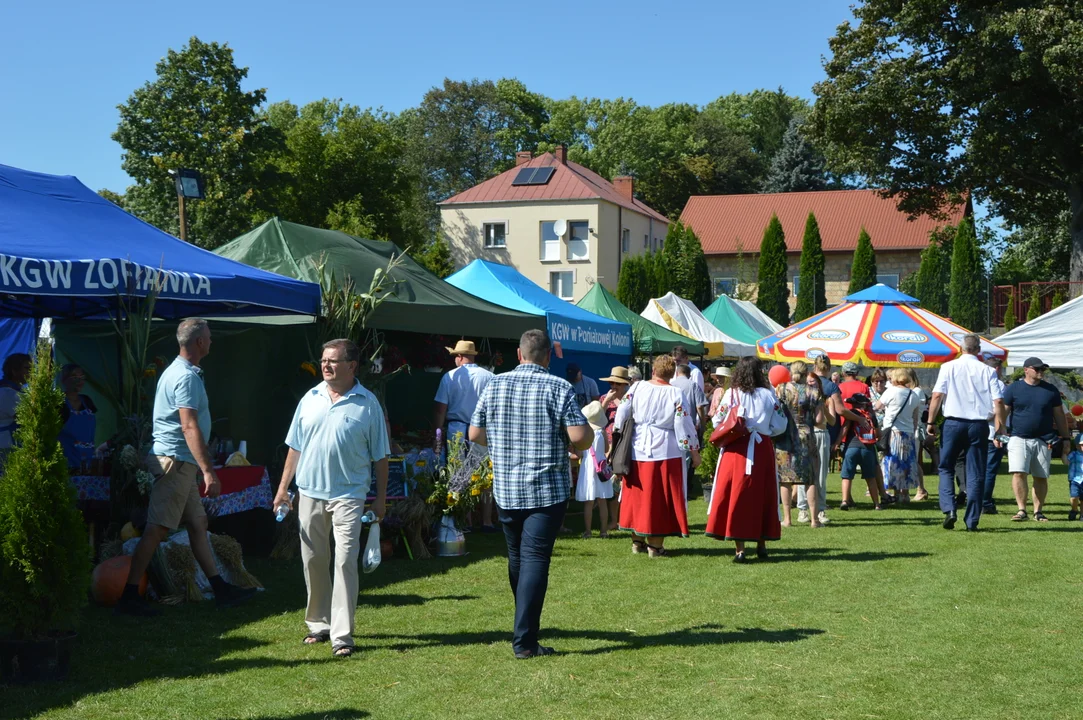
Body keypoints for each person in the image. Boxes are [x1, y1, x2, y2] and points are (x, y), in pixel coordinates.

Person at [116, 319, 256, 616]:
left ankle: (221, 590)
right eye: (208, 337)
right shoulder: (186, 377)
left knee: (197, 524)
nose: (211, 342)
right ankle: (128, 596)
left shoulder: (177, 371)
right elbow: (189, 426)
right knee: (156, 530)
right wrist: (208, 471)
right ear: (199, 343)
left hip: (180, 462)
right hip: (177, 463)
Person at [469, 330, 592, 659]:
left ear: (520, 355)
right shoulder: (559, 387)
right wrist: (590, 431)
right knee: (535, 559)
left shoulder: (494, 384)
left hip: (507, 488)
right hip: (545, 489)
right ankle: (524, 640)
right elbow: (579, 438)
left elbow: (475, 433)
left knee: (518, 559)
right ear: (547, 358)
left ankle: (525, 623)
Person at [272, 338, 389, 658]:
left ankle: (342, 635)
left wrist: (379, 500)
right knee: (313, 560)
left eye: (333, 361)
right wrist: (283, 489)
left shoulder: (368, 404)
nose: (326, 365)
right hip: (309, 491)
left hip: (350, 494)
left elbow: (381, 456)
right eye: (324, 360)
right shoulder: (309, 399)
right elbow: (294, 447)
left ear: (352, 366)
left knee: (344, 560)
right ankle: (318, 624)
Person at [615, 355, 701, 557]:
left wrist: (618, 436)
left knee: (637, 494)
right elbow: (683, 424)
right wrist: (694, 451)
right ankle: (655, 545)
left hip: (638, 447)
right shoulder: (675, 393)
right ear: (671, 375)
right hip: (666, 449)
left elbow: (622, 412)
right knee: (659, 497)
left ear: (653, 370)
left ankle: (637, 542)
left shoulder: (637, 387)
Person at [706, 356, 788, 562]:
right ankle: (762, 544)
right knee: (763, 494)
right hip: (760, 448)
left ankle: (740, 549)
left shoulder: (731, 394)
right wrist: (765, 429)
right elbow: (780, 424)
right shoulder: (768, 395)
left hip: (736, 449)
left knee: (737, 495)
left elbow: (717, 419)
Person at [926, 334, 1005, 531]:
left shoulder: (948, 367)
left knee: (946, 467)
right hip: (978, 424)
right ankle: (972, 520)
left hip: (953, 422)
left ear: (961, 348)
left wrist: (930, 421)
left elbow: (937, 395)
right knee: (976, 472)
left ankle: (949, 509)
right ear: (978, 350)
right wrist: (1000, 427)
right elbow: (999, 401)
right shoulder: (988, 370)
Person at [998, 357, 1071, 522]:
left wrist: (1066, 438)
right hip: (1018, 437)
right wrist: (998, 432)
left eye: (1042, 369)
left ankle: (1038, 512)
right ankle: (1022, 510)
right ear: (1026, 370)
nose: (1040, 372)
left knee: (1040, 476)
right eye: (1037, 369)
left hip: (1044, 439)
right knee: (1018, 472)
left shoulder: (1050, 390)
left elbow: (1059, 416)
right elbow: (1003, 412)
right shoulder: (1013, 389)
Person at [433, 340, 496, 532]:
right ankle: (486, 521)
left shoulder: (449, 377)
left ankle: (465, 519)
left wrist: (437, 436)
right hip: (482, 430)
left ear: (459, 357)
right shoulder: (489, 377)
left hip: (457, 430)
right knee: (485, 474)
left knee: (459, 475)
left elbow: (440, 409)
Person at [774, 361, 825, 528]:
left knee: (786, 480)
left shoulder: (781, 389)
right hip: (806, 437)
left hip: (785, 436)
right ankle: (814, 520)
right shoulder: (814, 391)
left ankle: (787, 519)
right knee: (810, 479)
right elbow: (818, 420)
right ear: (806, 373)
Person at [797, 355, 845, 523]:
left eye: (814, 382)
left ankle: (820, 510)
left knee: (821, 474)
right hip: (805, 434)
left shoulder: (827, 398)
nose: (811, 385)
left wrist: (823, 408)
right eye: (808, 382)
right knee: (803, 473)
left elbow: (832, 420)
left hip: (821, 435)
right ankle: (802, 510)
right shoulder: (801, 397)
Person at [837, 362, 884, 510]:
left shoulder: (840, 387)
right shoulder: (864, 388)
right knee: (870, 476)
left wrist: (837, 442)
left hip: (850, 441)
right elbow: (877, 431)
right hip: (868, 446)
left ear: (844, 373)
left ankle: (845, 500)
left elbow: (844, 428)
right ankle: (877, 503)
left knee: (847, 474)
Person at [875, 369, 922, 503]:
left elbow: (878, 406)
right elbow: (914, 417)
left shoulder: (891, 392)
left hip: (893, 432)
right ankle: (905, 494)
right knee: (906, 463)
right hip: (908, 433)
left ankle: (895, 493)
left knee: (892, 462)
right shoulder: (914, 395)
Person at [599, 366, 632, 532]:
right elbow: (596, 419)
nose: (613, 386)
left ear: (624, 385)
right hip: (609, 446)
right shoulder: (604, 398)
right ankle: (614, 520)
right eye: (612, 383)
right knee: (612, 485)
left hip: (626, 445)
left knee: (626, 483)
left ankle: (626, 518)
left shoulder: (631, 399)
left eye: (617, 384)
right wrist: (605, 403)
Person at [576, 401, 612, 538]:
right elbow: (607, 449)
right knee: (602, 501)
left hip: (588, 466)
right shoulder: (601, 432)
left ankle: (588, 531)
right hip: (601, 465)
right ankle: (604, 531)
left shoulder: (584, 433)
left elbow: (580, 453)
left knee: (588, 501)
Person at [58, 364, 98, 470]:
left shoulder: (87, 401)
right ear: (64, 379)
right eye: (75, 377)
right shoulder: (59, 403)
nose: (79, 381)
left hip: (87, 462)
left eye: (82, 378)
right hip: (66, 462)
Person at [981, 357, 1007, 513]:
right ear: (997, 369)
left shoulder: (976, 383)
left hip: (976, 430)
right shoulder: (999, 384)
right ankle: (986, 502)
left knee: (978, 467)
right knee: (990, 469)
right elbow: (998, 408)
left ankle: (979, 499)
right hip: (994, 431)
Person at [0, 353, 31, 460]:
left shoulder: (16, 391)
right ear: (14, 371)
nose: (31, 372)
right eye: (27, 368)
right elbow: (26, 419)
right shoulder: (8, 392)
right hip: (7, 447)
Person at [905, 369, 930, 501]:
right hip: (910, 428)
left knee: (913, 461)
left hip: (914, 429)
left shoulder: (916, 391)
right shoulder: (912, 391)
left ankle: (921, 489)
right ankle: (912, 490)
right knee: (911, 460)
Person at [672, 364, 708, 428]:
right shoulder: (693, 385)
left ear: (677, 373)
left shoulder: (671, 385)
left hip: (673, 425)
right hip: (689, 425)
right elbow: (699, 406)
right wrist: (703, 426)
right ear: (689, 375)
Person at [1066, 433, 1083, 521]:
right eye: (1081, 445)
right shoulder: (1074, 454)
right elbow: (1066, 461)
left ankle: (1082, 515)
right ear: (1077, 446)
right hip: (1075, 480)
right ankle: (1074, 509)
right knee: (1074, 497)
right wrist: (1064, 453)